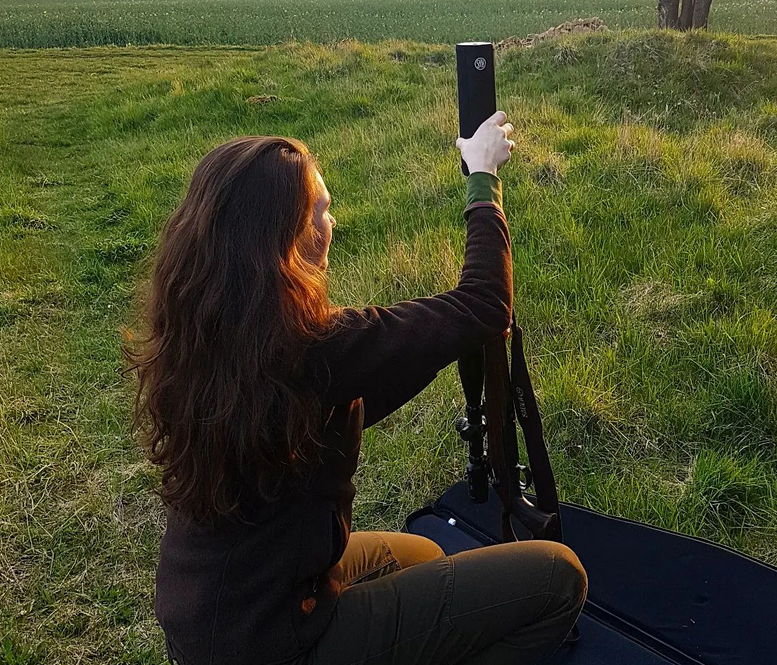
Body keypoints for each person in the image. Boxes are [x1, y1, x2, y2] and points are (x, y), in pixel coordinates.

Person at [125, 110, 587, 665]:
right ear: (285, 242)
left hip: (214, 613)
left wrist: (435, 345)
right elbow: (486, 304)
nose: (334, 222)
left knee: (422, 554)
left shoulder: (211, 332)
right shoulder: (308, 347)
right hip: (274, 644)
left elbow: (363, 382)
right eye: (321, 211)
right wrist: (483, 179)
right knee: (557, 577)